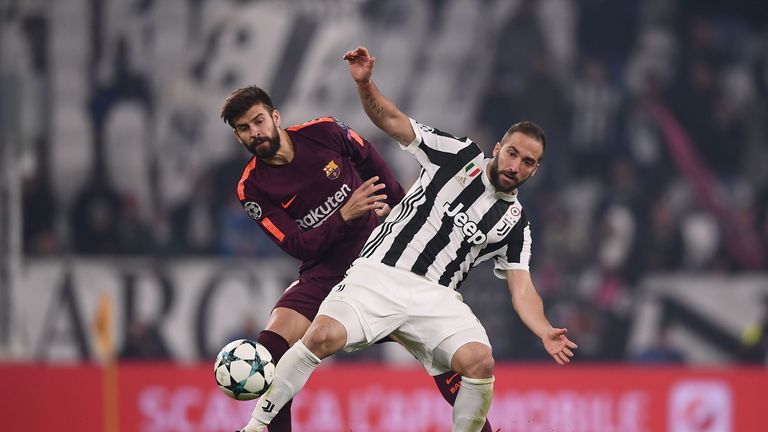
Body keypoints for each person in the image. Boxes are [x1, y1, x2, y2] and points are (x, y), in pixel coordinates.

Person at [240, 47, 578, 432]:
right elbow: (393, 120)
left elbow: (523, 291)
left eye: (527, 162)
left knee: (480, 363)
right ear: (498, 148)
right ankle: (257, 426)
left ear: (535, 171)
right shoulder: (459, 155)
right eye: (512, 153)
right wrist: (365, 84)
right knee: (321, 335)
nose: (515, 166)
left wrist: (544, 328)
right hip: (379, 273)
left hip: (436, 298)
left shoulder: (516, 223)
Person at [221, 85, 494, 431]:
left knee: (448, 358)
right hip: (324, 273)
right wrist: (342, 217)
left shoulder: (324, 133)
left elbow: (370, 160)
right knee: (270, 348)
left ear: (275, 117)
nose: (255, 132)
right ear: (237, 136)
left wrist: (398, 210)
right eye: (244, 128)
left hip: (383, 265)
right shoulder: (252, 187)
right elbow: (298, 245)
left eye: (259, 121)